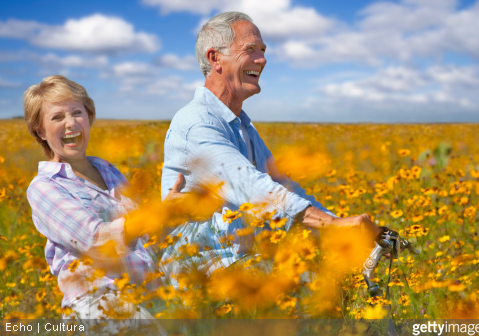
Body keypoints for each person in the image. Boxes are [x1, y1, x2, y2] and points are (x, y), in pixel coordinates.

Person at [161, 12, 383, 274]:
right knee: (304, 280)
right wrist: (333, 224)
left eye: (263, 50)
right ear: (215, 58)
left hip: (239, 259)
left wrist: (349, 228)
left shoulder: (243, 126)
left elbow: (283, 186)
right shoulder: (196, 122)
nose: (262, 59)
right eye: (250, 50)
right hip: (197, 267)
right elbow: (252, 189)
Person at [24, 75, 183, 320]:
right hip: (101, 303)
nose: (71, 124)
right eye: (57, 117)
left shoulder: (108, 169)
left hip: (151, 297)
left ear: (89, 117)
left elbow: (144, 237)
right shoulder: (44, 187)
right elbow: (97, 240)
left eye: (77, 112)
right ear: (41, 131)